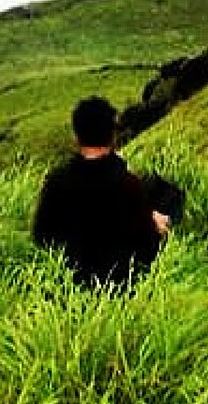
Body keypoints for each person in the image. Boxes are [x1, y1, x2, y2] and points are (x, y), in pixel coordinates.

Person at [32, 96, 171, 290]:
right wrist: (154, 226)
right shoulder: (129, 185)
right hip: (120, 287)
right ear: (113, 135)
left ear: (76, 136)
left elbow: (42, 236)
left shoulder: (57, 182)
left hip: (70, 284)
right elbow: (145, 248)